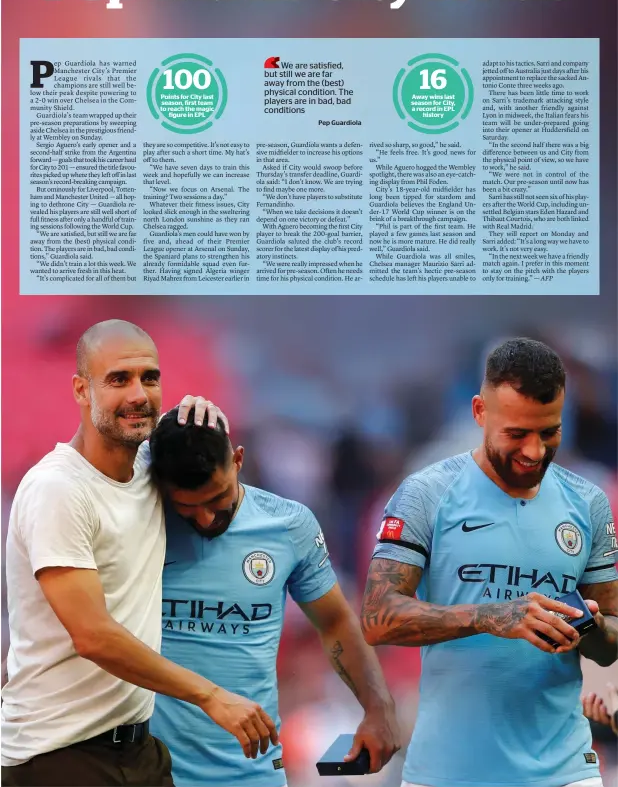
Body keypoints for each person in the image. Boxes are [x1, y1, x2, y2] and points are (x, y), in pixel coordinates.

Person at [1, 319, 278, 787]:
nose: (138, 394)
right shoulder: (58, 489)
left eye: (150, 378)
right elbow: (93, 636)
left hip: (139, 750)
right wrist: (211, 696)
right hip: (57, 755)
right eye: (118, 379)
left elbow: (214, 494)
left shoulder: (152, 469)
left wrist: (208, 421)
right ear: (81, 390)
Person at [360, 337, 618, 787]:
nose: (534, 451)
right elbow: (378, 618)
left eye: (549, 432)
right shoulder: (427, 493)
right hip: (446, 771)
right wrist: (491, 616)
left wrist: (590, 629)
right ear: (480, 412)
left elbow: (613, 635)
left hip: (565, 773)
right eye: (516, 434)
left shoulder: (589, 502)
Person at [147, 407, 401, 787]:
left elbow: (333, 621)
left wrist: (377, 707)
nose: (203, 519)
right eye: (187, 506)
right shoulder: (142, 523)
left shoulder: (288, 527)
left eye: (216, 500)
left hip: (251, 772)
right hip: (158, 769)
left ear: (238, 461)